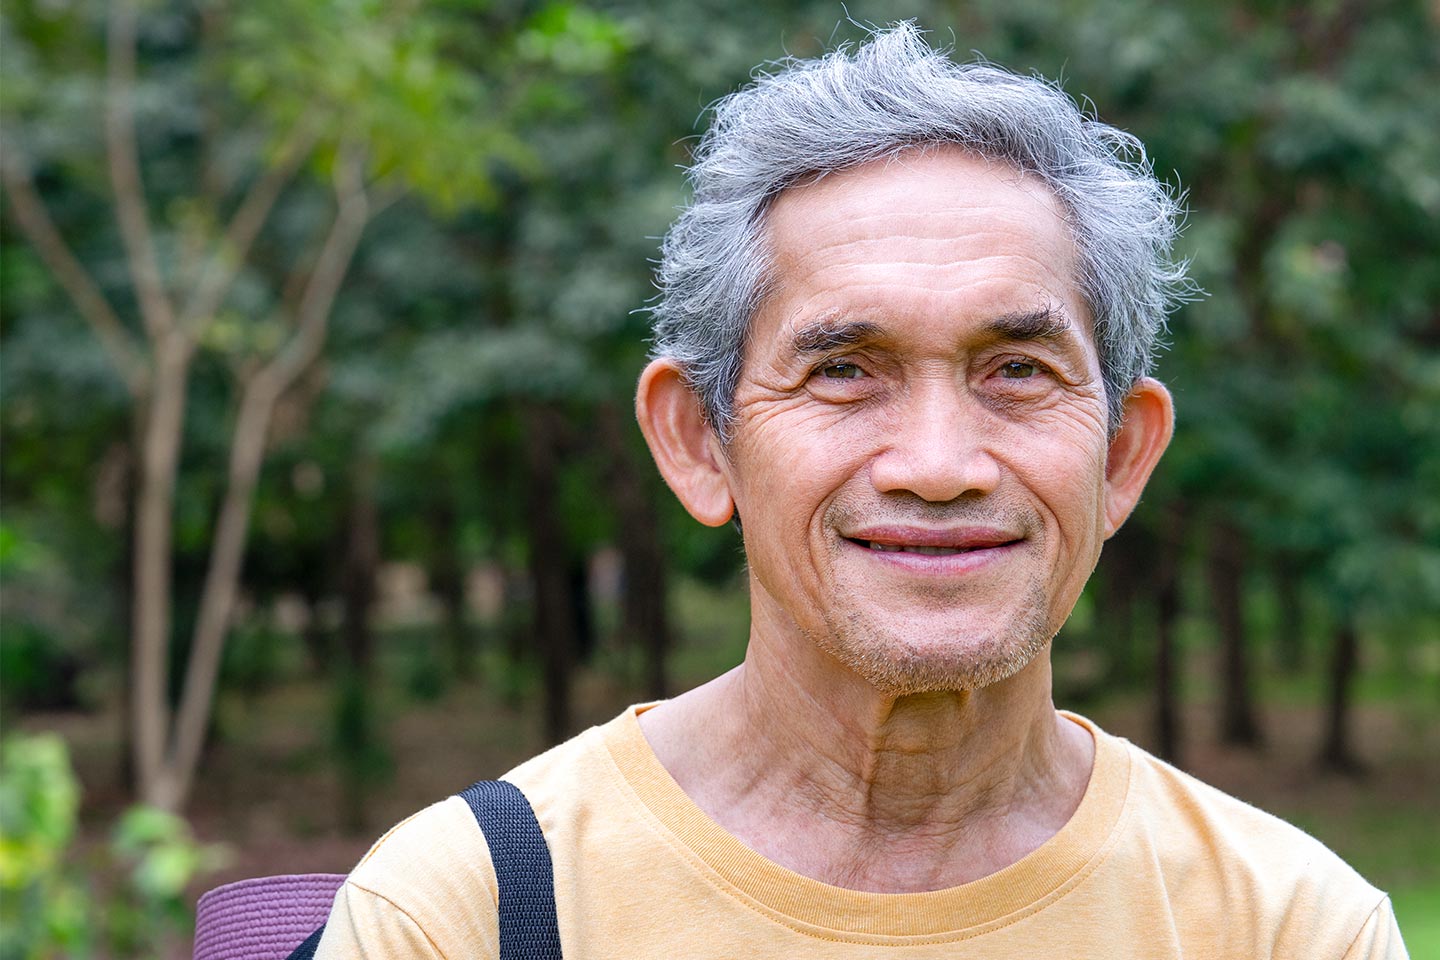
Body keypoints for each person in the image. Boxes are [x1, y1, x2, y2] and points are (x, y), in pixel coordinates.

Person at [314, 23, 1407, 959]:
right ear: (700, 442)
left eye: (1017, 371)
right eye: (843, 371)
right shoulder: (472, 912)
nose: (938, 465)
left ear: (1122, 456)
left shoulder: (1287, 925)